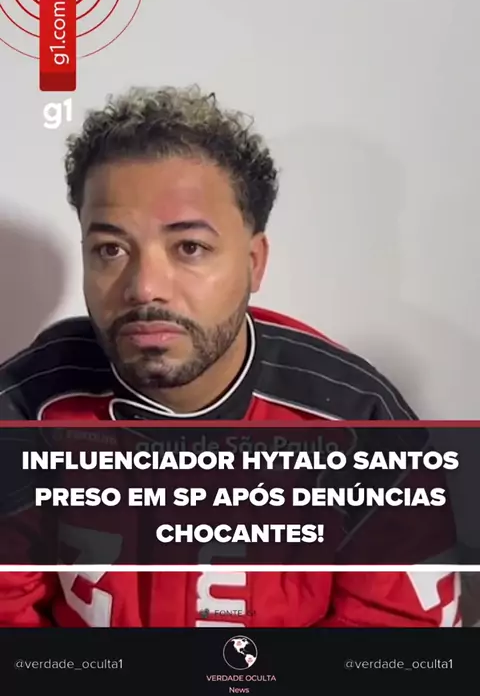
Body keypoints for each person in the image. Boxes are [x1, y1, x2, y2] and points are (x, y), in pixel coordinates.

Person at [0, 85, 460, 628]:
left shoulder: (359, 422)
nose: (144, 287)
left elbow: (402, 631)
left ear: (253, 263)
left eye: (189, 247)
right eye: (111, 249)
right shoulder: (28, 403)